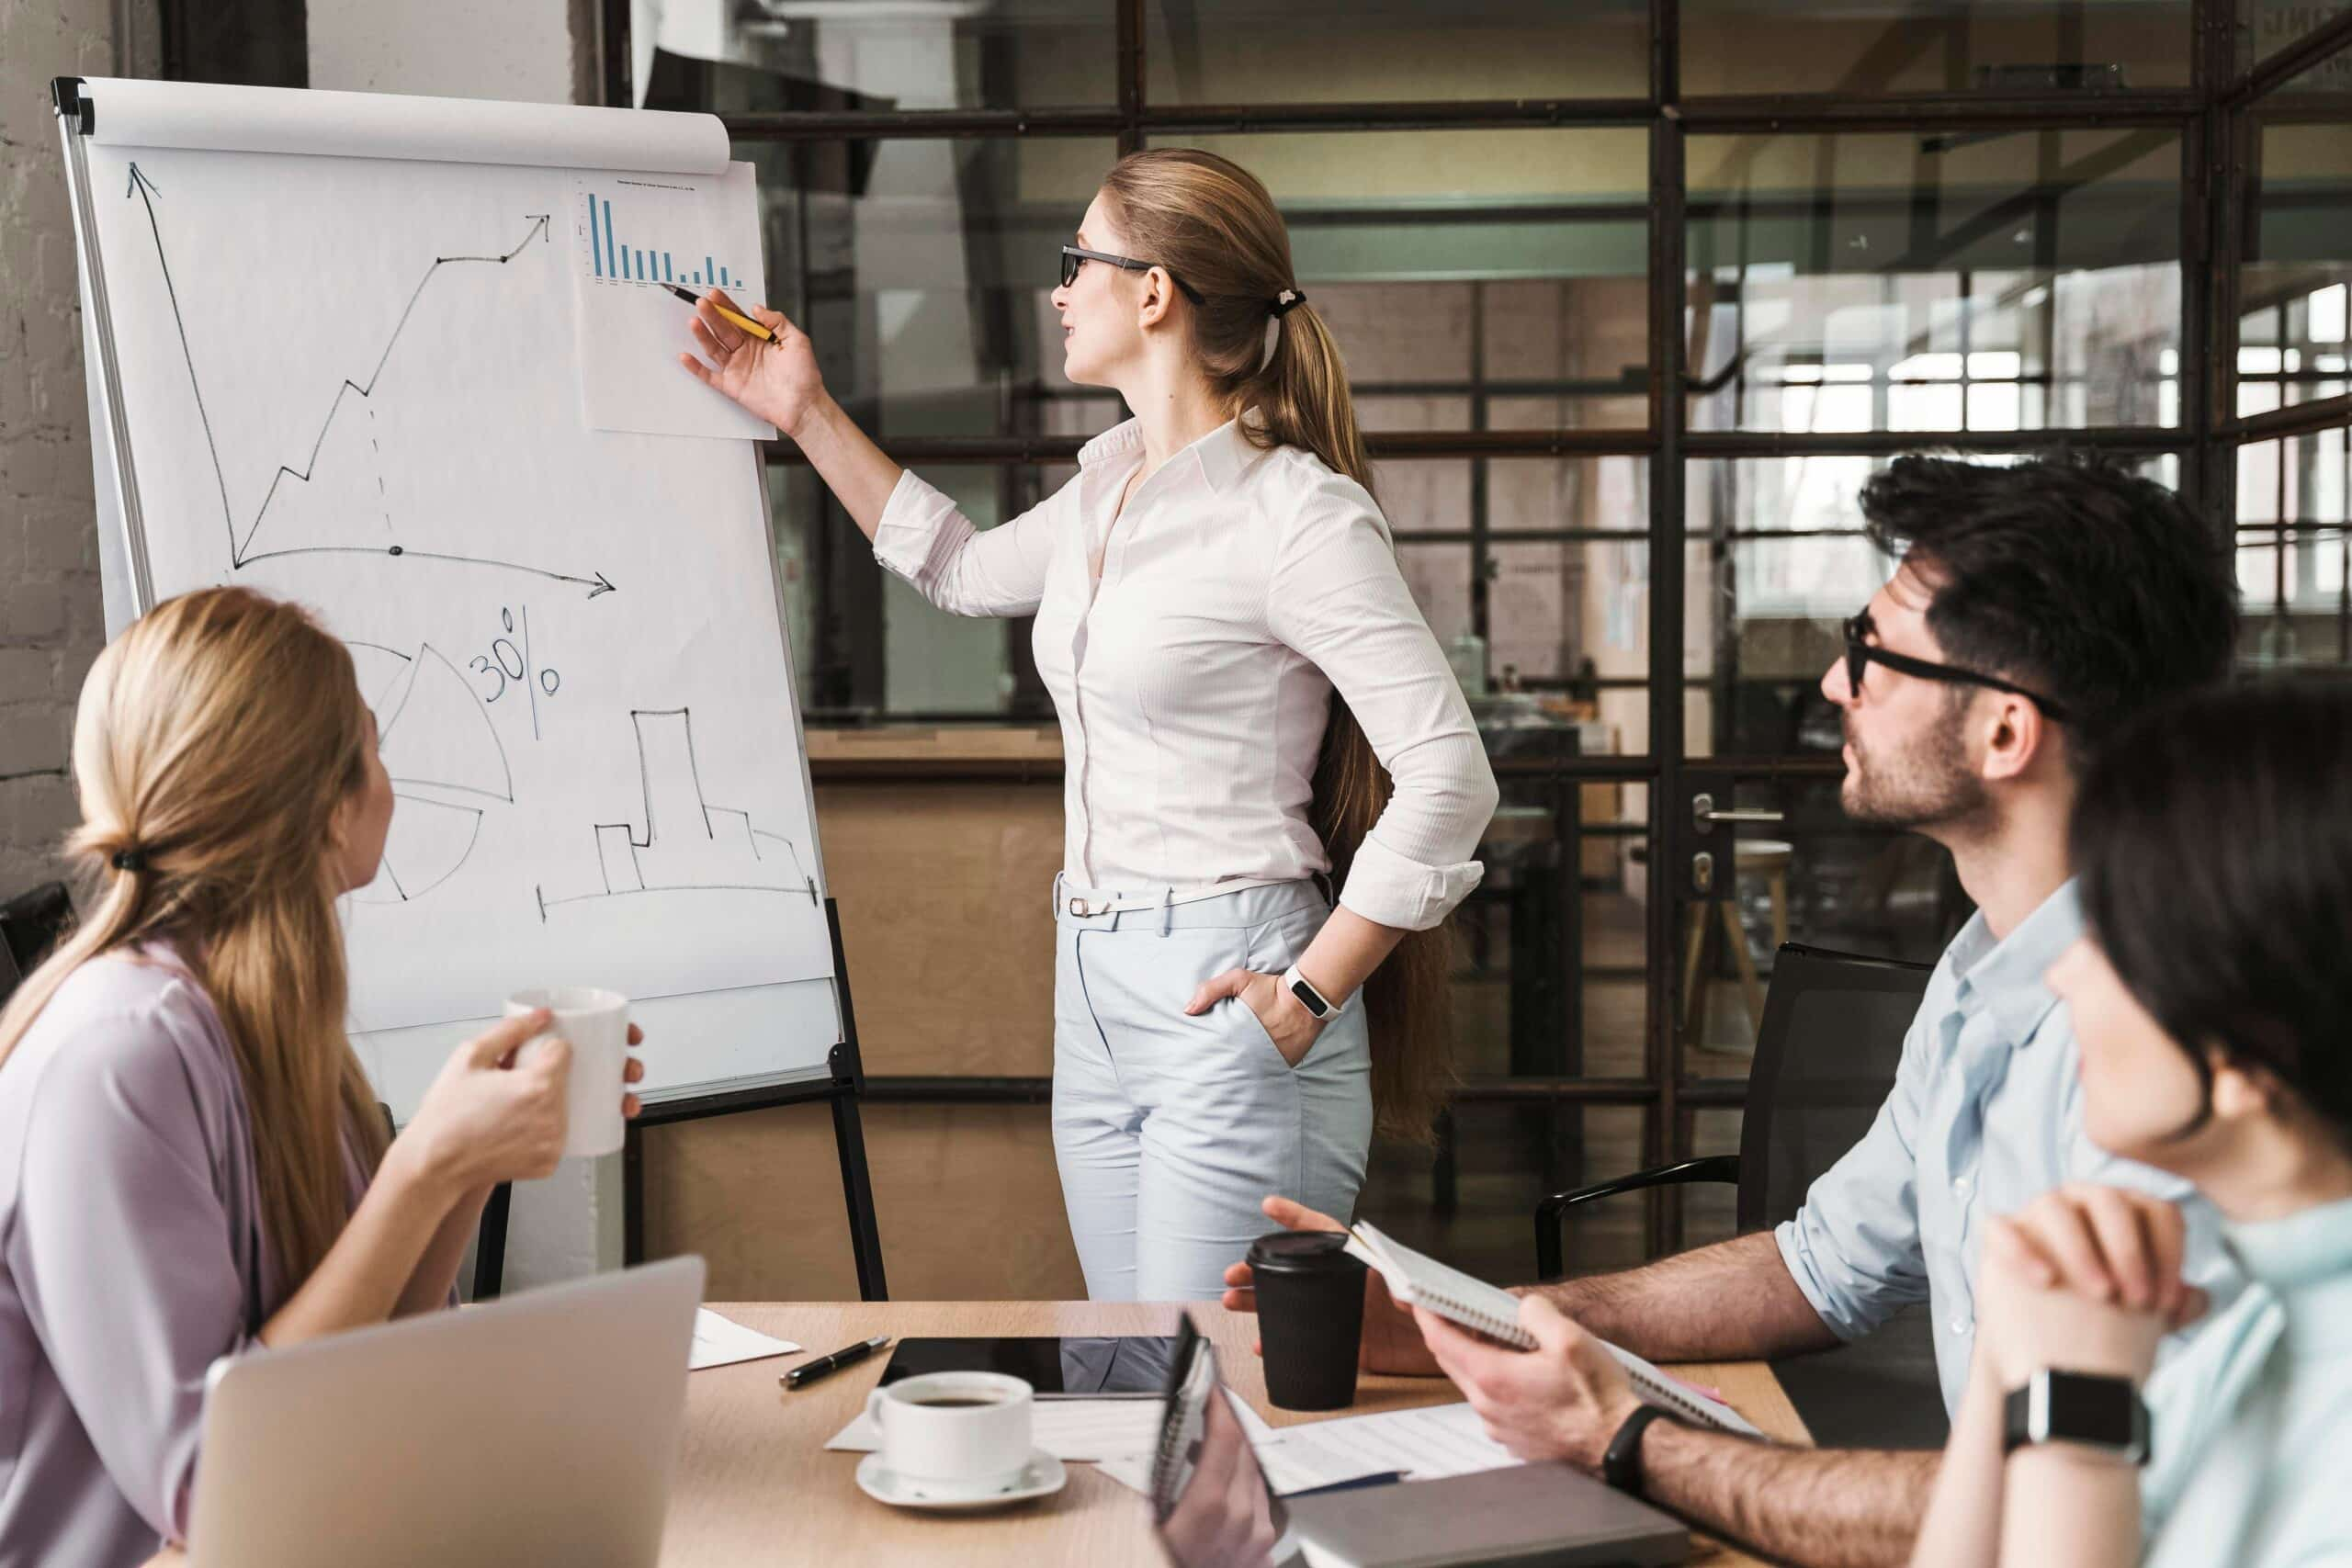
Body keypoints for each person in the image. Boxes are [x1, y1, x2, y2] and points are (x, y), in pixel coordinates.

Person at [1228, 453, 2244, 1565]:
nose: (1831, 684)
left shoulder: (2173, 1065)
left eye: (1872, 654)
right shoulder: (1977, 975)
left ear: (2005, 732)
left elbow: (2086, 1507)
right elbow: (1818, 1266)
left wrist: (1629, 1442)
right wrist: (1464, 1322)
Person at [680, 149, 1498, 1302]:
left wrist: (1310, 994)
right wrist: (802, 411)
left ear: (1153, 290)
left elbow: (1450, 780)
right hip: (1095, 985)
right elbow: (958, 567)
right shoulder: (1104, 495)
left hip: (1231, 979)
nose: (1057, 292)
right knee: (1137, 1372)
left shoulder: (1294, 516)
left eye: (1077, 263)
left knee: (1215, 1391)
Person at [0, 587, 646, 1568]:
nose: (391, 784)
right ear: (325, 804)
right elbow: (210, 1493)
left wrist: (472, 1163)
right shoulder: (115, 1057)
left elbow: (377, 1357)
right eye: (374, 751)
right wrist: (421, 1168)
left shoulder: (266, 1024)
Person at [1910, 680, 2352, 1568]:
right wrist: (2012, 1343)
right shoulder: (2257, 1323)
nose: (2065, 976)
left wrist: (2070, 1406)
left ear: (2241, 1052)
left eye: (2109, 934)